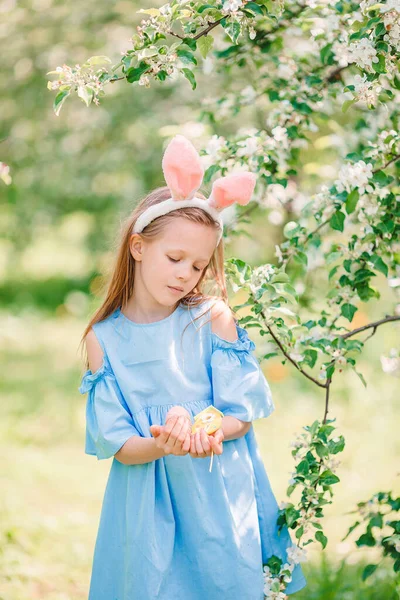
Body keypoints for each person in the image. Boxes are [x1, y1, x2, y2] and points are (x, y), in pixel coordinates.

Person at [78, 135, 307, 599]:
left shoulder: (211, 319)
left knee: (225, 581)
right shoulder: (103, 341)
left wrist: (210, 429)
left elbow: (240, 412)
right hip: (149, 504)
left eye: (199, 266)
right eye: (175, 258)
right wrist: (165, 443)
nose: (186, 274)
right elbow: (120, 445)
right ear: (138, 247)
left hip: (218, 490)